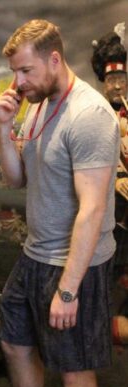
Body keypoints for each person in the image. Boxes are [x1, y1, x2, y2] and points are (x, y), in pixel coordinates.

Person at [0, 19, 120, 387]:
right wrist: (2, 127)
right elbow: (16, 176)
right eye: (14, 72)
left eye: (24, 70)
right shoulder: (36, 110)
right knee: (14, 341)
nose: (17, 82)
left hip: (77, 263)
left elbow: (92, 210)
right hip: (35, 252)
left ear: (54, 59)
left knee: (75, 369)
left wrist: (69, 288)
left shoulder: (90, 116)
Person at [91, 25, 128, 344]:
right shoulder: (96, 114)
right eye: (111, 79)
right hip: (108, 208)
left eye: (121, 79)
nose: (116, 85)